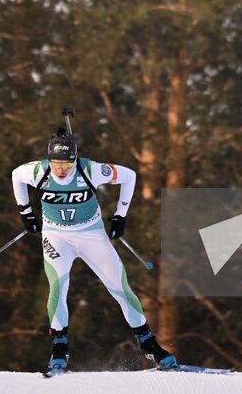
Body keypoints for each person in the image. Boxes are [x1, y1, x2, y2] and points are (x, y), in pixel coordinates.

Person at [11, 127, 178, 372]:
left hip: (91, 235)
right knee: (58, 287)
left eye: (66, 165)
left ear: (75, 160)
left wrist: (121, 215)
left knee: (121, 288)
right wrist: (25, 212)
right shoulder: (38, 171)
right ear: (49, 159)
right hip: (56, 236)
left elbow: (129, 176)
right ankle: (59, 348)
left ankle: (149, 344)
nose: (60, 170)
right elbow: (16, 176)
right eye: (56, 163)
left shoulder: (90, 169)